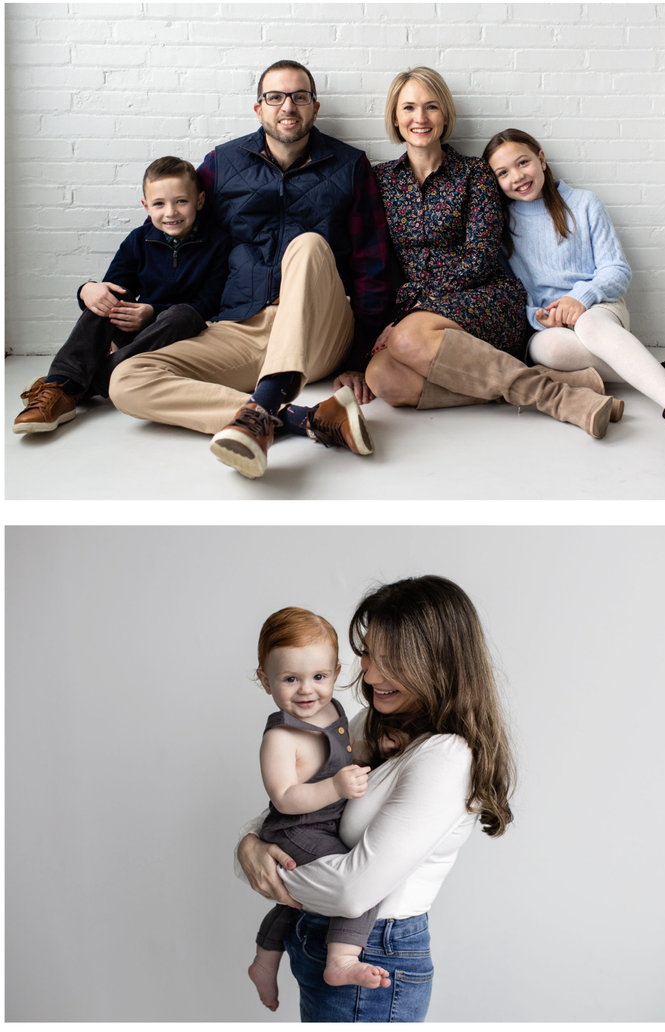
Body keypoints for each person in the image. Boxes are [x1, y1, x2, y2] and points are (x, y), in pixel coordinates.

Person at [236, 576, 518, 1021]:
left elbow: (352, 892)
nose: (369, 674)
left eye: (391, 661)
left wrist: (259, 866)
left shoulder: (447, 758)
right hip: (320, 940)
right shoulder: (372, 723)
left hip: (375, 955)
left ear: (437, 663)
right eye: (368, 654)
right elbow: (301, 805)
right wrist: (249, 842)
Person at [108, 59, 382, 478]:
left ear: (315, 107)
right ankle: (305, 418)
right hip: (242, 325)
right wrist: (111, 293)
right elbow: (172, 227)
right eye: (275, 97)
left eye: (299, 97)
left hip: (320, 330)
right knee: (127, 378)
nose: (287, 107)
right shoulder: (222, 164)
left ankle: (264, 409)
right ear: (259, 109)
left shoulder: (350, 165)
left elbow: (372, 261)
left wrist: (359, 357)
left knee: (306, 245)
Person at [349, 68, 615, 439]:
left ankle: (560, 400)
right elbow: (368, 260)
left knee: (407, 338)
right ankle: (561, 382)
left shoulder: (474, 173)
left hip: (487, 297)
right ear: (395, 116)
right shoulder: (381, 181)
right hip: (419, 314)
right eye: (408, 107)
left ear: (445, 115)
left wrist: (413, 311)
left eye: (431, 107)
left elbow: (480, 255)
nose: (420, 118)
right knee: (383, 379)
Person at [482, 127, 665, 463]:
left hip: (601, 310)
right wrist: (538, 316)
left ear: (541, 160)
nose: (517, 176)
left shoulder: (583, 203)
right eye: (503, 172)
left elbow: (617, 271)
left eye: (523, 162)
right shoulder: (499, 226)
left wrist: (581, 298)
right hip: (554, 327)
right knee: (546, 349)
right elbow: (512, 291)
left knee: (589, 327)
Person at [14, 156, 231, 435]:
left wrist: (152, 311)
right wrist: (88, 289)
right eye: (159, 204)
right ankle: (59, 387)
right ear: (146, 206)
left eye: (181, 201)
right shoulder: (138, 240)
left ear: (199, 201)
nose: (170, 212)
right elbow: (114, 288)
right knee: (108, 295)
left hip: (185, 332)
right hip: (136, 336)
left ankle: (75, 385)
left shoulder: (219, 242)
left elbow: (210, 303)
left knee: (182, 313)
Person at [242, 607, 391, 1010]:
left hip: (324, 826)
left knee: (300, 903)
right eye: (290, 679)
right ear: (264, 679)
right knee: (361, 879)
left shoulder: (335, 713)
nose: (307, 690)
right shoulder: (280, 737)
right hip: (295, 829)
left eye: (319, 677)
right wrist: (336, 786)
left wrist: (374, 753)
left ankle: (265, 958)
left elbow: (345, 753)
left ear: (336, 672)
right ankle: (341, 959)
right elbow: (284, 798)